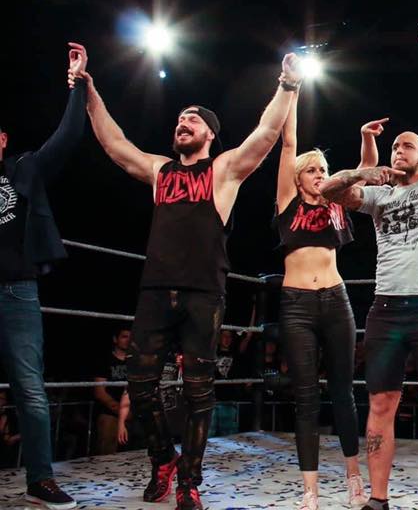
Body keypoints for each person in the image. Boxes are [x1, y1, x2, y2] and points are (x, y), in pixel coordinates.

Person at [83, 44, 299, 510]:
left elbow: (265, 134)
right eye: (180, 118)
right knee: (140, 384)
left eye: (193, 119)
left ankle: (189, 481)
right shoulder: (160, 171)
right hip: (156, 290)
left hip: (204, 292)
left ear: (209, 134)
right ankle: (163, 457)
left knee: (199, 388)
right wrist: (89, 89)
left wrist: (287, 84)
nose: (183, 123)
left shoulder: (223, 171)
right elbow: (115, 144)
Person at [321, 30, 418, 510]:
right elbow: (328, 191)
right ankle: (378, 499)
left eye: (407, 146)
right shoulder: (379, 195)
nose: (398, 150)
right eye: (395, 146)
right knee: (381, 403)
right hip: (386, 310)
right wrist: (363, 170)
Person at [273, 86, 384, 510]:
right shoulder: (287, 201)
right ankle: (310, 490)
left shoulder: (337, 200)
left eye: (323, 169)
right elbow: (288, 144)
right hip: (297, 304)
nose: (320, 174)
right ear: (299, 176)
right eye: (313, 170)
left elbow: (365, 173)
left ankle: (354, 479)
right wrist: (293, 91)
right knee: (305, 398)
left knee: (343, 392)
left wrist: (366, 138)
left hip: (336, 301)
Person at [0, 43, 88, 509]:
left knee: (30, 390)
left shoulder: (22, 169)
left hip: (16, 292)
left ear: (2, 141)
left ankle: (40, 480)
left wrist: (76, 84)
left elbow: (68, 137)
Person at [92, 326, 132, 455]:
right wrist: (120, 411)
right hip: (110, 412)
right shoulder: (105, 360)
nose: (128, 340)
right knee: (107, 452)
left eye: (130, 337)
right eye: (124, 336)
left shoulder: (135, 362)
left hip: (132, 412)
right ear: (115, 339)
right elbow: (99, 392)